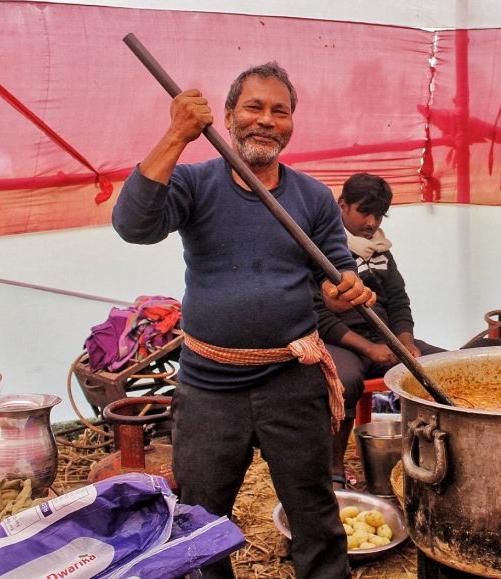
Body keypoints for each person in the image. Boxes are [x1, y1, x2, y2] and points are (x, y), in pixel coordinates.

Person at [112, 62, 372, 579]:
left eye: (280, 111)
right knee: (200, 519)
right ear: (228, 115)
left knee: (315, 514)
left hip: (292, 381)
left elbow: (336, 268)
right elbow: (133, 225)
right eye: (254, 107)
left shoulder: (313, 197)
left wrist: (344, 288)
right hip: (209, 387)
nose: (267, 120)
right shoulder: (194, 183)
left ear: (292, 123)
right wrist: (176, 135)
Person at [314, 173, 445, 488]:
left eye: (379, 215)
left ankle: (432, 457)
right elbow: (319, 316)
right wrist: (370, 349)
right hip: (342, 342)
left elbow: (399, 303)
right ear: (342, 206)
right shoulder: (321, 249)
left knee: (445, 369)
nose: (372, 222)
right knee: (343, 380)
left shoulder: (381, 252)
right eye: (364, 212)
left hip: (385, 341)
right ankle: (334, 468)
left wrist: (405, 343)